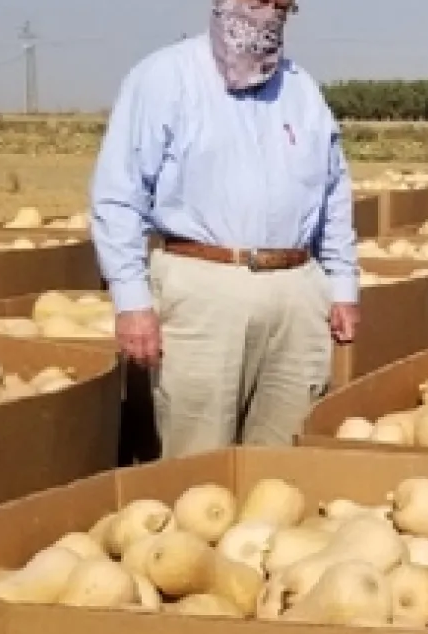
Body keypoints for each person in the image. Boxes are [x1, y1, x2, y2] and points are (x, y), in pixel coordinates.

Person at [89, 0, 361, 460]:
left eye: (280, 5)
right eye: (255, 2)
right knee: (198, 453)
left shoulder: (302, 89)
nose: (267, 14)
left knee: (284, 456)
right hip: (204, 285)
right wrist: (132, 302)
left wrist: (342, 285)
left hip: (296, 288)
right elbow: (119, 194)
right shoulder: (164, 77)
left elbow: (334, 193)